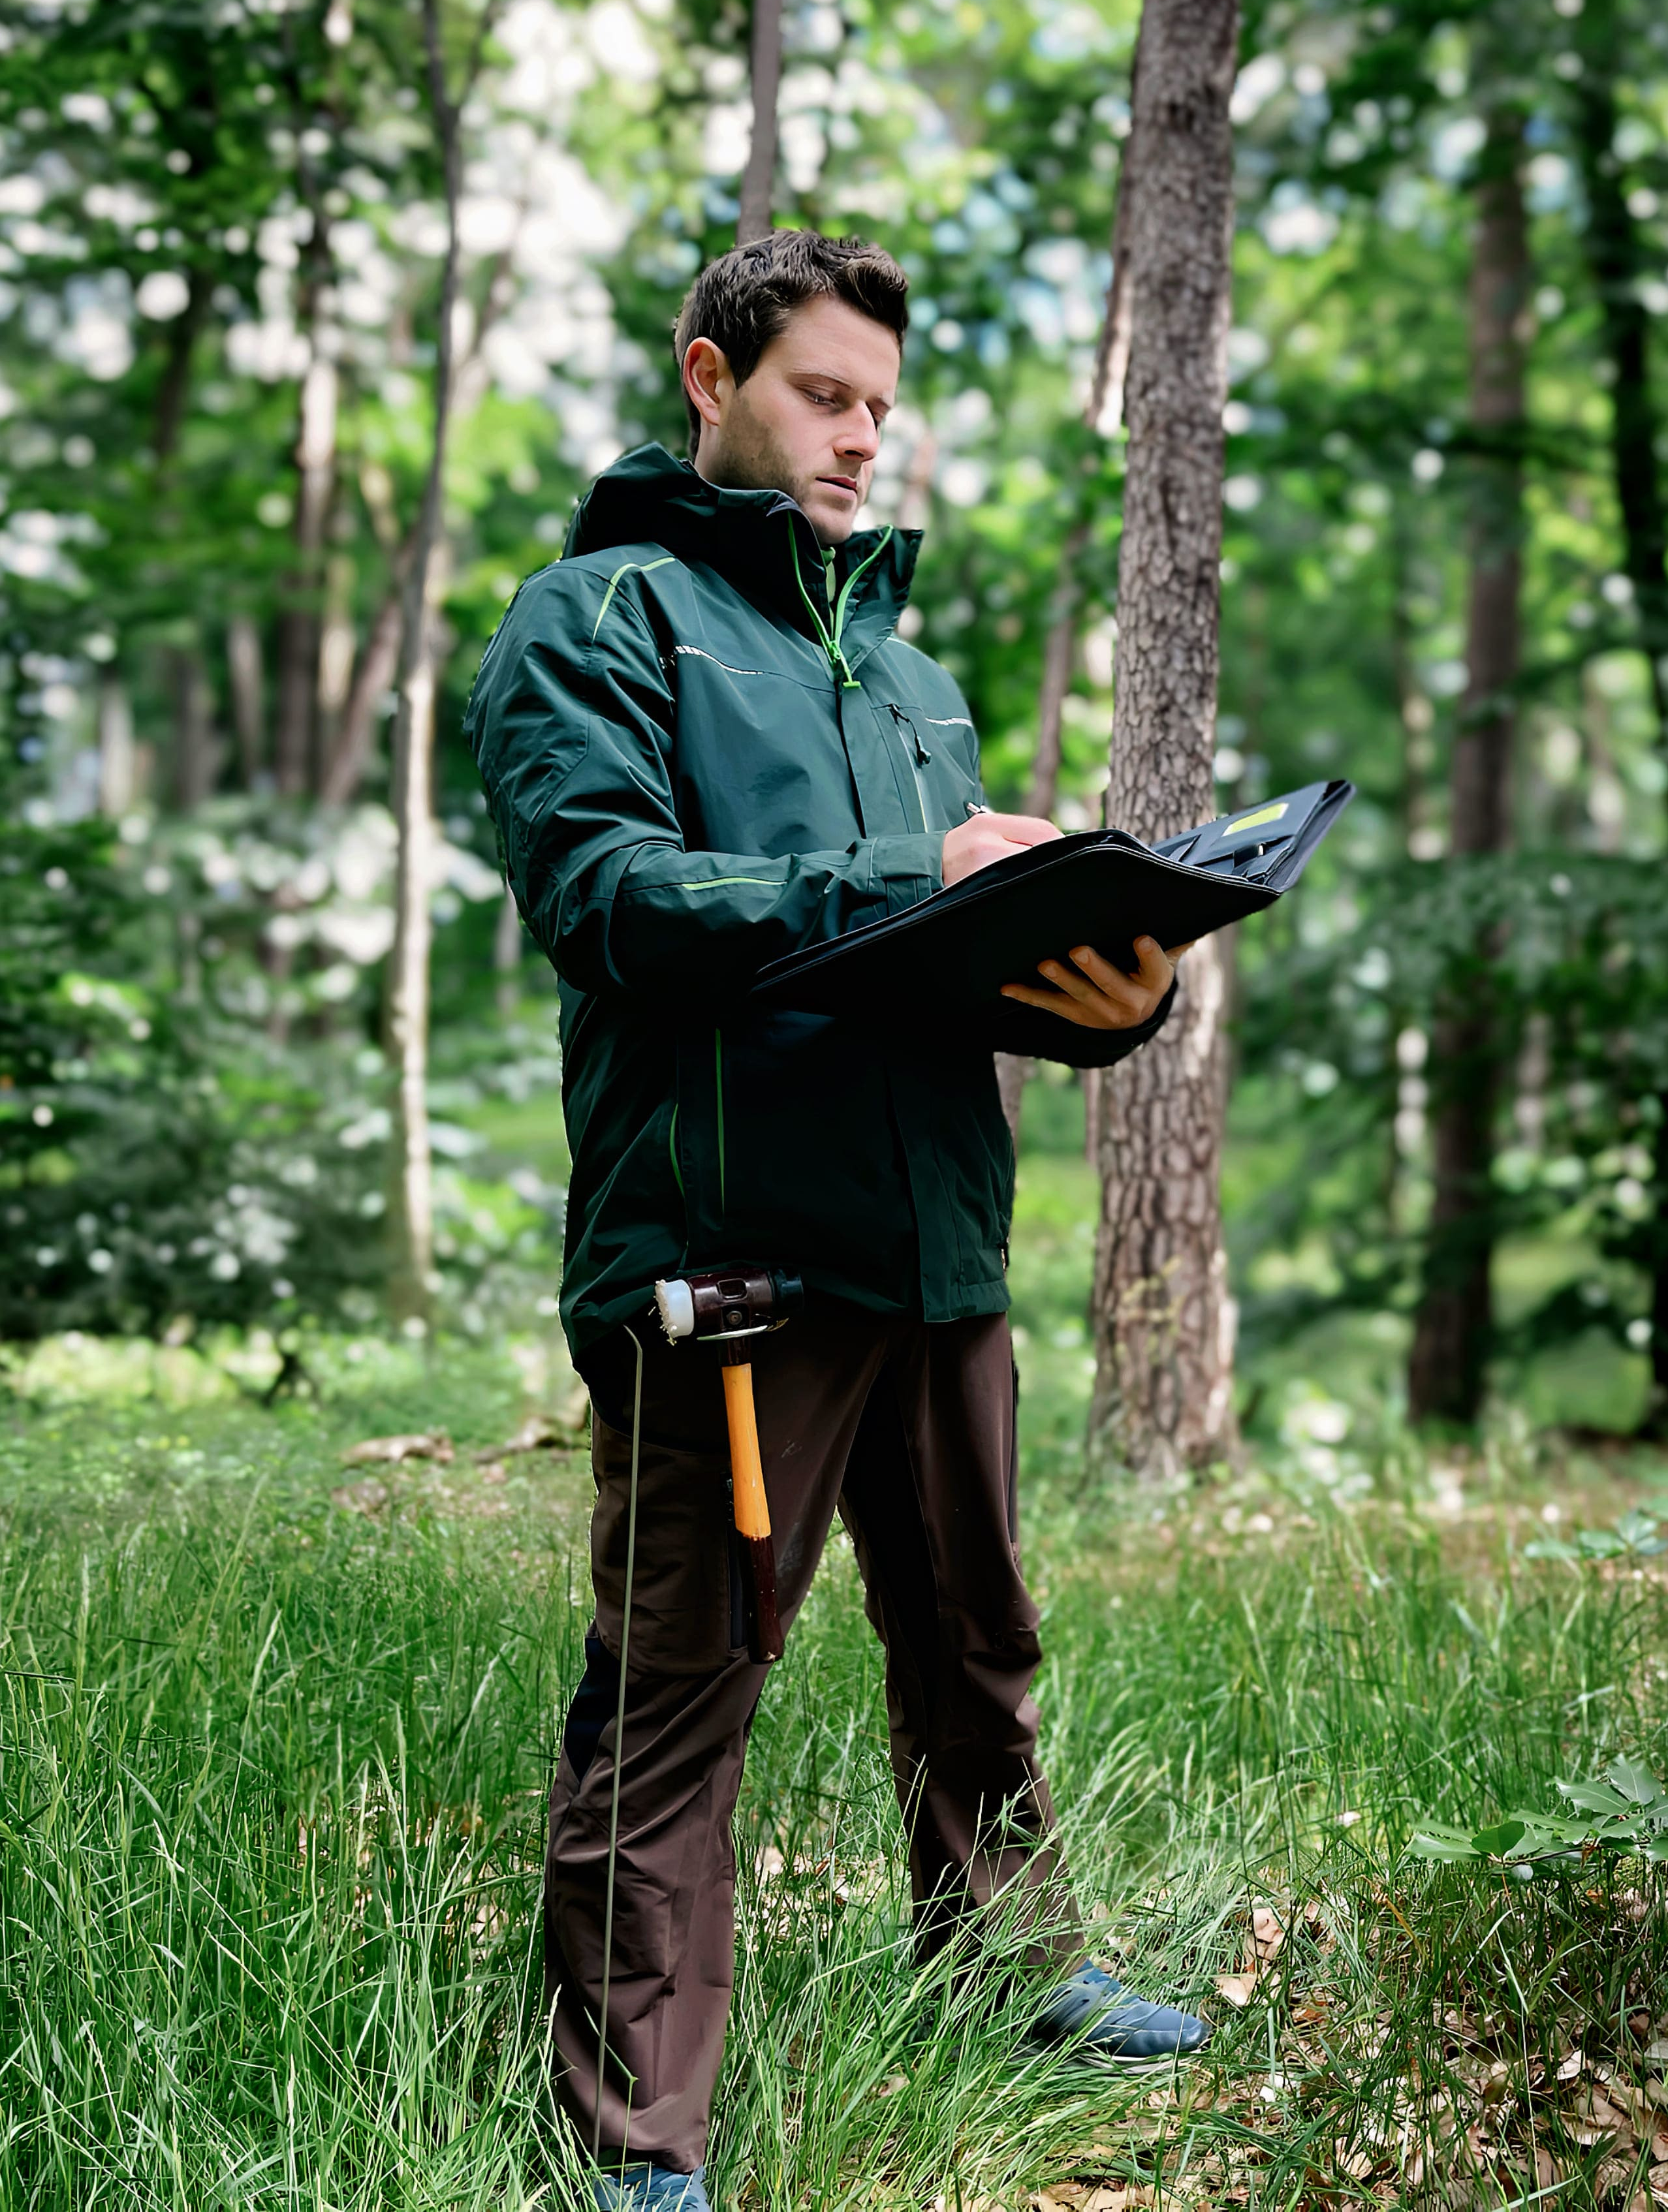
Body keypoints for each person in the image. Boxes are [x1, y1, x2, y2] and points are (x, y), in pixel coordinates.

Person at [464, 231, 1208, 2212]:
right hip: (726, 1253)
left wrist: (1095, 972)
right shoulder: (596, 618)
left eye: (882, 403)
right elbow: (612, 902)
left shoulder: (915, 676)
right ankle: (638, 2139)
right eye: (822, 392)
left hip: (939, 1248)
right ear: (709, 377)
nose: (862, 435)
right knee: (682, 1679)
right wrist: (909, 876)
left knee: (976, 1638)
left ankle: (1014, 1967)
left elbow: (930, 949)